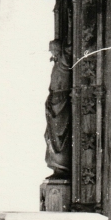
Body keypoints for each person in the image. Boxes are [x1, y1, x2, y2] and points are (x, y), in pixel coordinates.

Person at [44, 39, 72, 179]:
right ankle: (56, 166)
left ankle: (61, 167)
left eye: (53, 50)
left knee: (59, 138)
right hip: (54, 104)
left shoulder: (62, 62)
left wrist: (66, 49)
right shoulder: (57, 64)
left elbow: (68, 52)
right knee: (49, 136)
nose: (51, 53)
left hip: (61, 104)